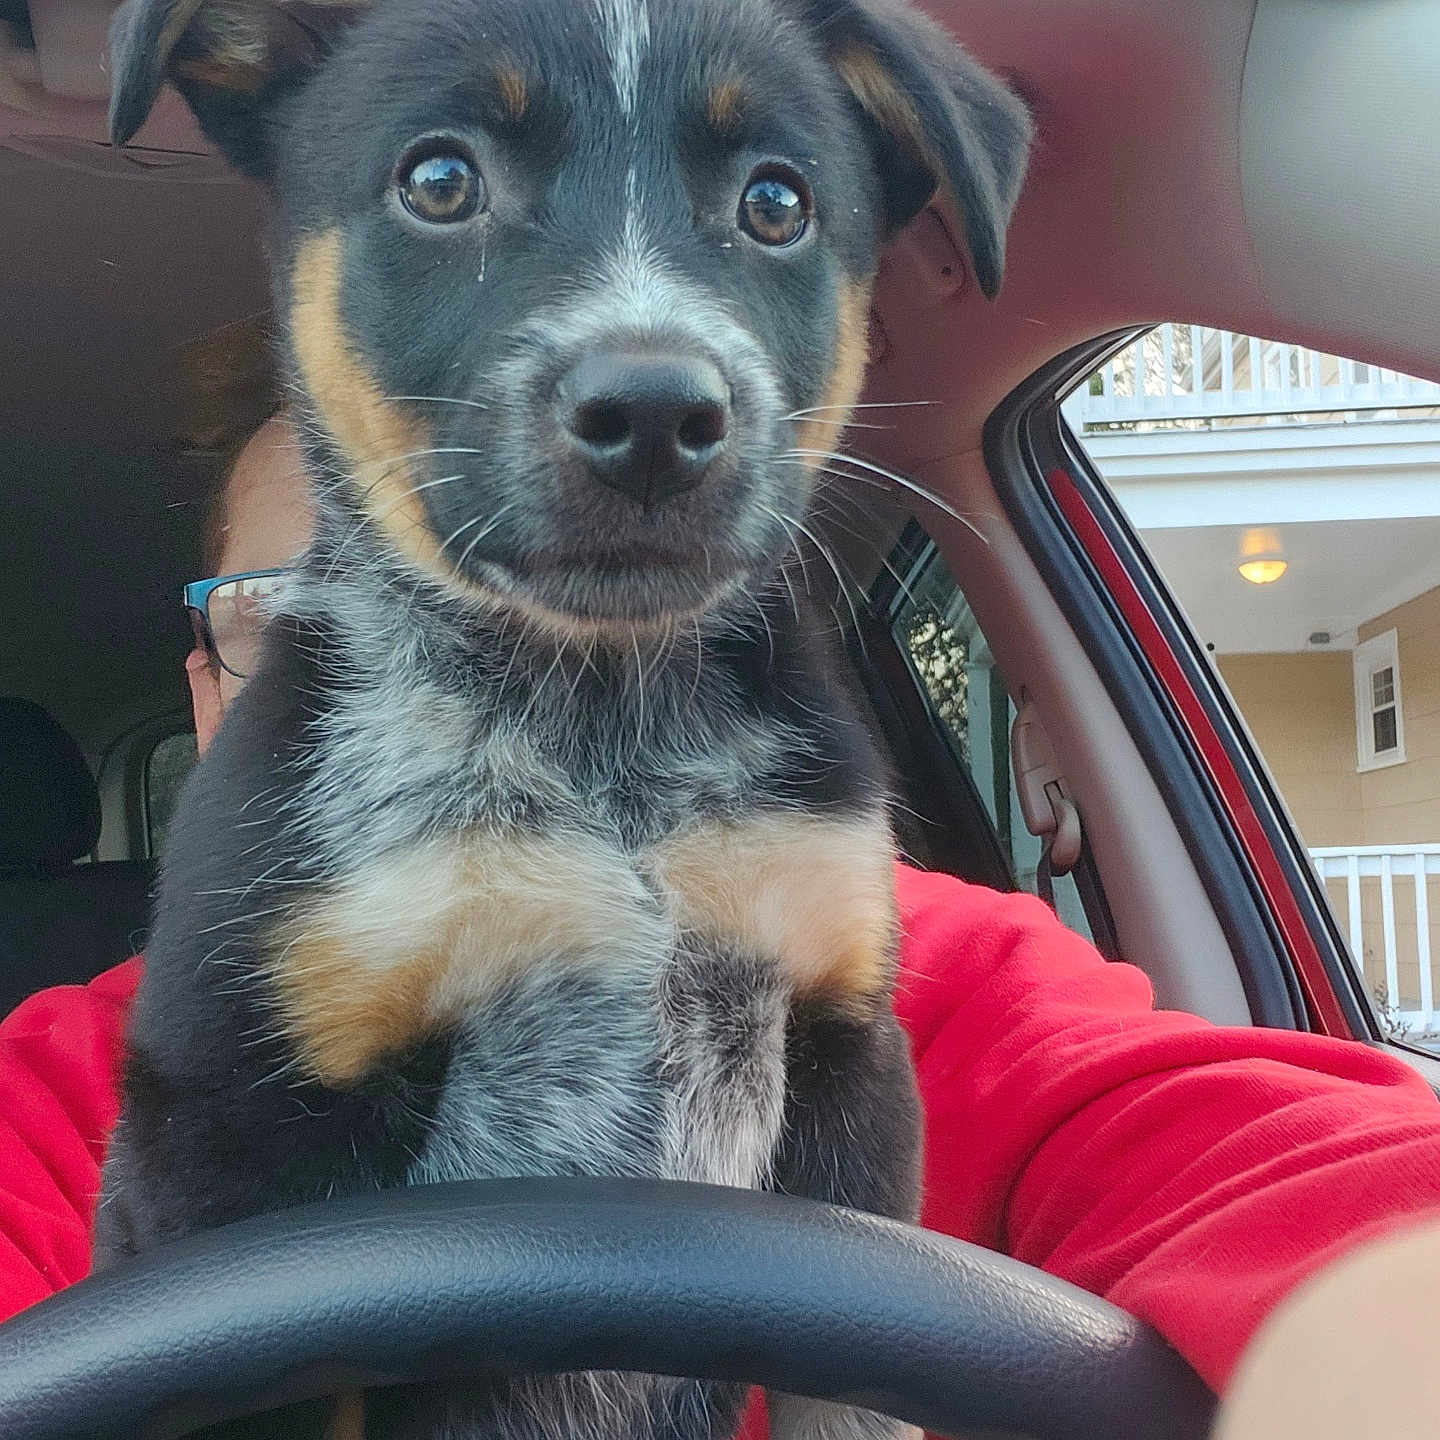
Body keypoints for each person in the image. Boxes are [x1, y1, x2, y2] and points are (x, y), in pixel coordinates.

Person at [1, 412, 1439, 1432]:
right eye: (307, 613)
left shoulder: (915, 976)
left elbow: (1297, 1176)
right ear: (211, 697)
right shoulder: (69, 1086)